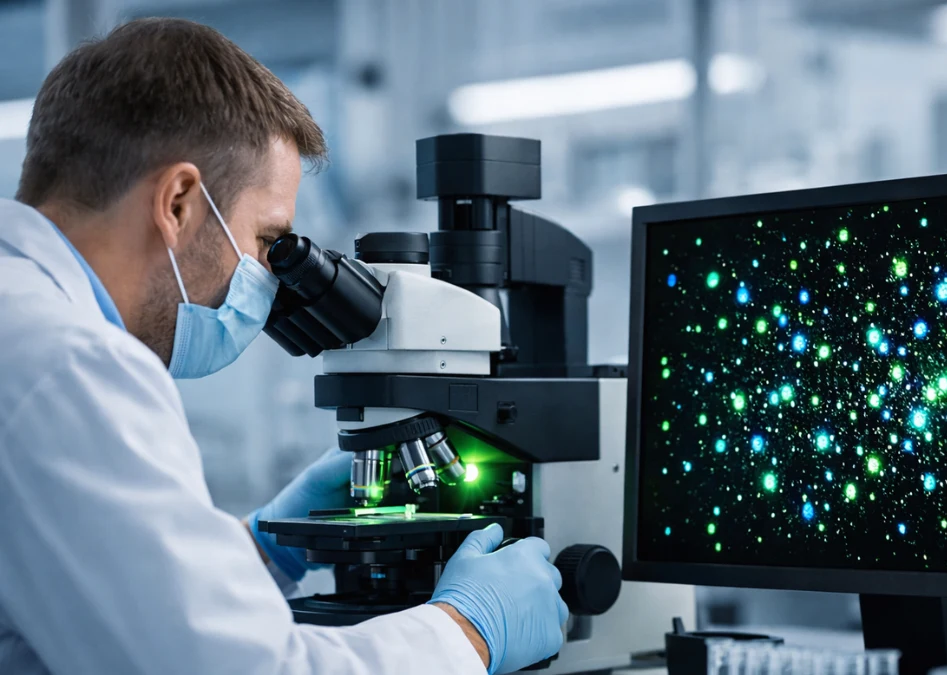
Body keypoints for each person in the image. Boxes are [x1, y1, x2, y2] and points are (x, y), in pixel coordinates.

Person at [0, 17, 566, 675]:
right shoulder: (71, 368)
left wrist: (264, 550)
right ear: (179, 202)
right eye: (272, 244)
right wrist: (470, 630)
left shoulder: (24, 325)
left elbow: (97, 605)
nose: (273, 282)